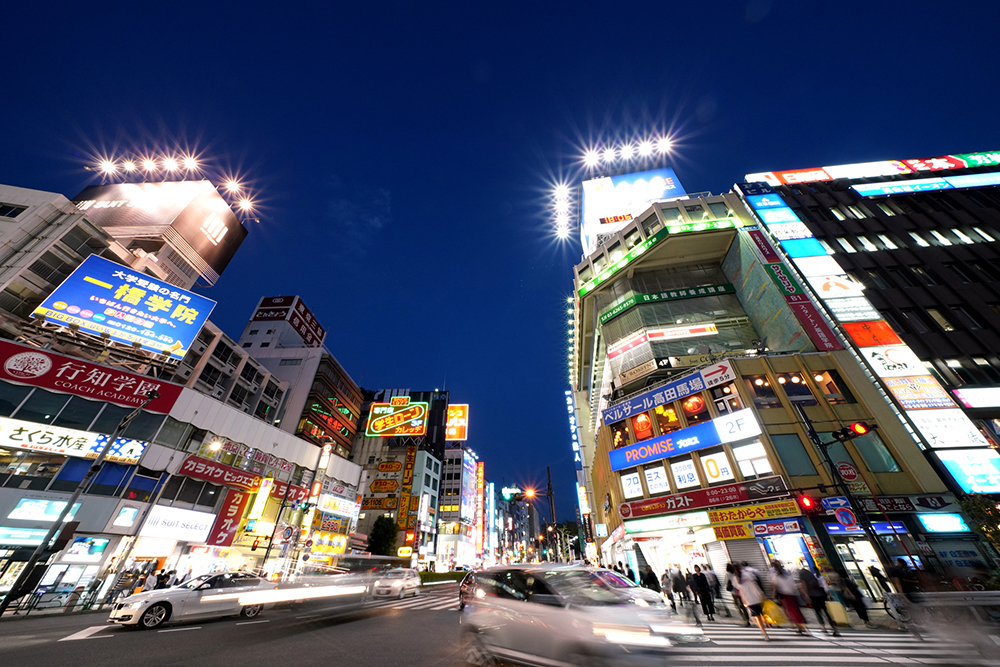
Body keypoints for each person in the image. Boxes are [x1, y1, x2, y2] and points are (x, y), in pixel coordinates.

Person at [799, 564, 839, 636]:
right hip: (821, 595)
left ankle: (823, 627)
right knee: (826, 612)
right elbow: (824, 586)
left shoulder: (805, 576)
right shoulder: (816, 577)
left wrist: (806, 595)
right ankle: (835, 628)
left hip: (813, 596)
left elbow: (803, 585)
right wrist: (828, 594)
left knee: (818, 612)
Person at [771, 560, 808, 635]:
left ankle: (802, 627)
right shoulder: (787, 573)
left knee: (791, 611)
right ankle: (799, 626)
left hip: (785, 595)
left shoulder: (776, 575)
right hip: (792, 594)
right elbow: (793, 583)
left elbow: (774, 585)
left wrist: (774, 593)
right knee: (795, 610)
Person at [737, 563, 770, 641]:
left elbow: (741, 592)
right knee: (761, 614)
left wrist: (744, 601)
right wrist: (762, 595)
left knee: (756, 617)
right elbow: (756, 586)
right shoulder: (749, 575)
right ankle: (765, 625)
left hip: (749, 600)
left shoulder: (737, 579)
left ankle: (764, 633)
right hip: (757, 598)